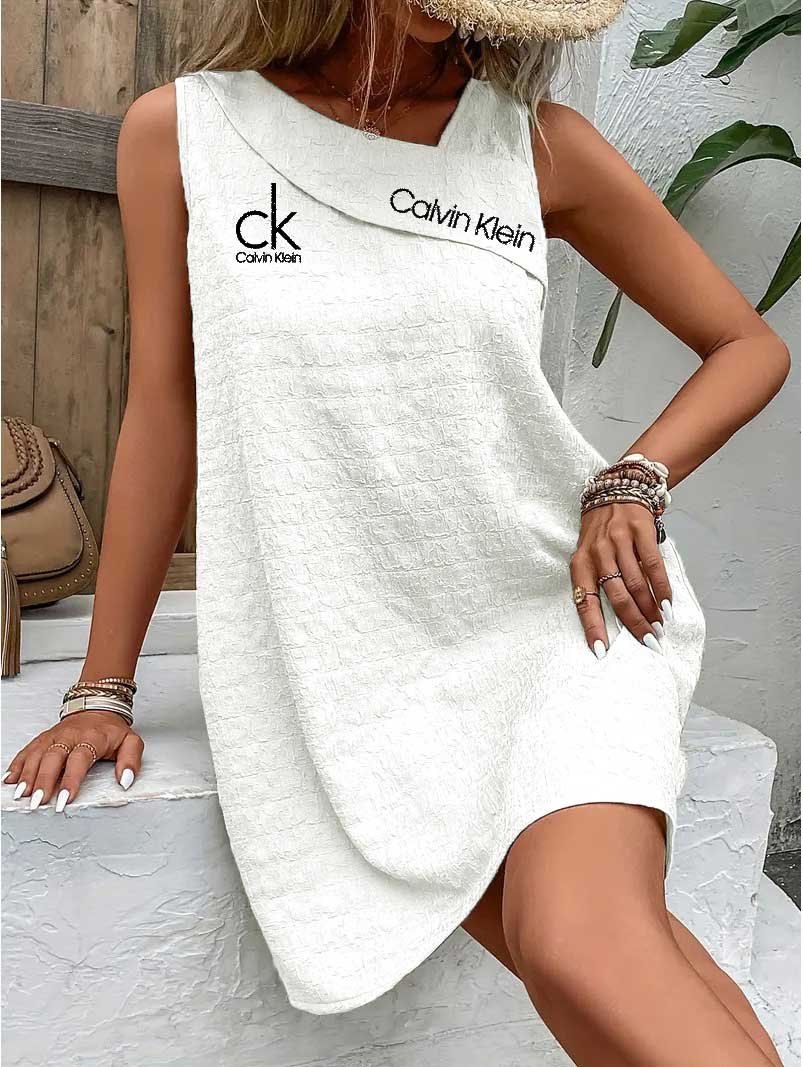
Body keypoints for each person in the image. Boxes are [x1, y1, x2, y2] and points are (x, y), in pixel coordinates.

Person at [3, 2, 790, 1062]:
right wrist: (103, 687)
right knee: (596, 957)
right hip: (343, 663)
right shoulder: (184, 132)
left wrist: (631, 478)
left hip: (555, 619)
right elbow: (165, 411)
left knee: (575, 945)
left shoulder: (535, 145)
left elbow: (744, 344)